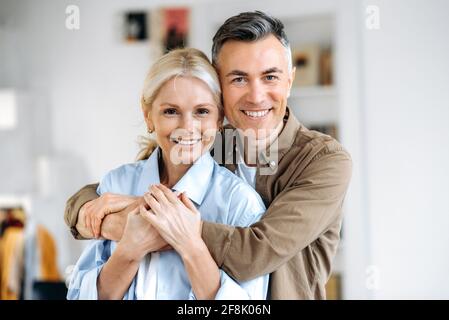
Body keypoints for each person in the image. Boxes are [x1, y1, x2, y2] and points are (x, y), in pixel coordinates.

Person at [65, 11, 352, 299]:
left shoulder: (324, 160)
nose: (256, 95)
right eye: (239, 79)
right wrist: (101, 213)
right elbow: (112, 189)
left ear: (289, 81)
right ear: (220, 89)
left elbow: (255, 252)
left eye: (270, 77)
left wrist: (154, 220)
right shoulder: (205, 142)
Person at [66, 48, 269, 300]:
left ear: (219, 119)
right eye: (171, 111)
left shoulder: (240, 205)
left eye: (202, 112)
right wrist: (129, 249)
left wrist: (190, 246)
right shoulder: (116, 183)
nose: (187, 127)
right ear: (147, 115)